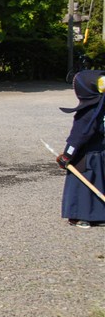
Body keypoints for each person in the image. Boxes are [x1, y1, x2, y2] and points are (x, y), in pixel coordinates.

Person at [56, 70, 105, 228]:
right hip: (102, 154)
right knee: (100, 182)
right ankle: (100, 214)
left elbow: (79, 136)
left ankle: (81, 216)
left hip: (87, 156)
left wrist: (67, 155)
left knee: (81, 184)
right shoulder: (102, 107)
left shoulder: (89, 112)